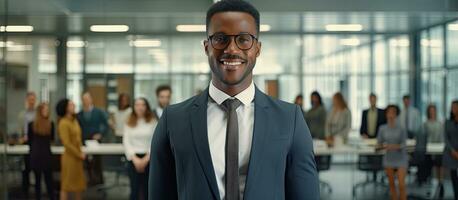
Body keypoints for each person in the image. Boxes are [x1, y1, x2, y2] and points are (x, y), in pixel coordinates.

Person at [149, 1, 319, 199]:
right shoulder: (174, 119)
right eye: (220, 39)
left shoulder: (290, 119)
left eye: (244, 39)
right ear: (206, 47)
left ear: (257, 48)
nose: (231, 49)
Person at [123, 98, 157, 200]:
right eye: (137, 105)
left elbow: (155, 141)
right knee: (134, 190)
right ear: (134, 107)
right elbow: (126, 141)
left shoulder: (153, 121)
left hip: (149, 159)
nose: (140, 107)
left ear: (147, 107)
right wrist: (135, 159)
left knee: (148, 189)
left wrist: (146, 158)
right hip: (133, 159)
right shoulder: (129, 122)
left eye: (143, 105)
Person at [56, 99, 86, 200]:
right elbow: (67, 143)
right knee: (66, 185)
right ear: (65, 108)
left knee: (79, 185)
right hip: (70, 157)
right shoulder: (63, 123)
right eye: (70, 104)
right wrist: (78, 154)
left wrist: (81, 151)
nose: (73, 105)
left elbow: (78, 138)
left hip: (78, 157)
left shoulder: (75, 121)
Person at [77, 92, 109, 185]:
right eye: (84, 99)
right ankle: (90, 180)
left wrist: (101, 134)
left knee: (97, 161)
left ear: (91, 99)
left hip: (96, 140)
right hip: (84, 141)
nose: (86, 101)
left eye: (87, 99)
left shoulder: (98, 112)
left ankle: (99, 180)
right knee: (86, 162)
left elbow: (106, 125)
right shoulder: (79, 114)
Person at [377, 105, 408, 200]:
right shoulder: (382, 128)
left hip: (400, 158)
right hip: (389, 158)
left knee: (401, 185)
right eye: (389, 112)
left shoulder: (401, 128)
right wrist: (382, 146)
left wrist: (393, 146)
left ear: (396, 114)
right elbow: (379, 143)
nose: (391, 115)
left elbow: (404, 144)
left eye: (393, 112)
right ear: (386, 114)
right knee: (391, 185)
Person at [27, 102, 55, 200]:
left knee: (48, 181)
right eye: (45, 110)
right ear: (39, 111)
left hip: (43, 154)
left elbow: (52, 139)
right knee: (39, 182)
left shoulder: (50, 124)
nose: (47, 112)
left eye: (47, 110)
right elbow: (30, 141)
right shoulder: (32, 125)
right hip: (38, 154)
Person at [17, 91, 37, 195]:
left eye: (33, 100)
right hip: (24, 142)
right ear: (27, 101)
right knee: (26, 169)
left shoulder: (38, 114)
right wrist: (20, 138)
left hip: (35, 143)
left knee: (36, 168)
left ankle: (37, 192)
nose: (31, 102)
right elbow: (19, 129)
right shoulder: (22, 114)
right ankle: (25, 192)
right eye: (30, 100)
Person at [423, 104, 444, 197]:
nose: (432, 112)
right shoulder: (425, 124)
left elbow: (441, 137)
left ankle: (440, 184)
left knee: (439, 164)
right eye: (430, 110)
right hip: (428, 149)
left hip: (438, 149)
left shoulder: (440, 123)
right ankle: (430, 184)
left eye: (433, 110)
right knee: (429, 166)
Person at [442, 100, 458, 200]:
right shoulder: (448, 122)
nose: (454, 109)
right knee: (454, 176)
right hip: (451, 153)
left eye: (456, 107)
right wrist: (453, 151)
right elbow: (445, 139)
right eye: (453, 107)